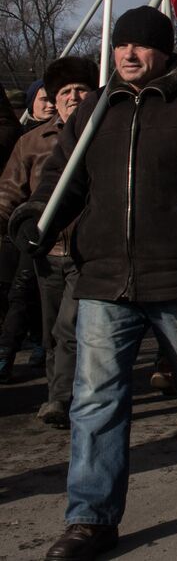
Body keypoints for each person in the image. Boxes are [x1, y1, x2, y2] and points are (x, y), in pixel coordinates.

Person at [9, 6, 177, 560]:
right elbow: (62, 179)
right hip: (102, 279)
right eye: (120, 46)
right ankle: (90, 519)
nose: (127, 55)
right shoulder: (93, 110)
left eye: (141, 46)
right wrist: (37, 213)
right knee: (96, 399)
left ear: (165, 52)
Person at [0, 57, 97, 427]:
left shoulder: (105, 133)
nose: (73, 97)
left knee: (71, 327)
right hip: (47, 251)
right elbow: (10, 191)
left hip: (91, 252)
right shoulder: (31, 142)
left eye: (81, 90)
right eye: (65, 92)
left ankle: (68, 398)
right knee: (53, 329)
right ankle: (60, 395)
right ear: (53, 99)